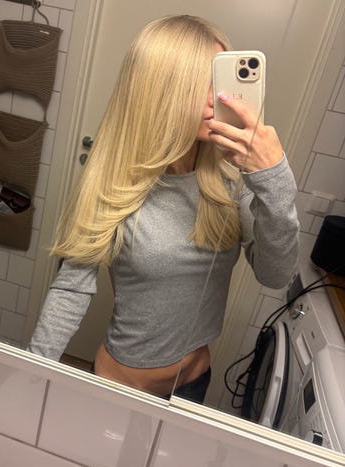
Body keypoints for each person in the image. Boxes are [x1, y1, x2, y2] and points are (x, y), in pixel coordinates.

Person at [27, 15, 299, 403]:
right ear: (160, 91)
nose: (218, 98)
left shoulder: (233, 179)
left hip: (194, 384)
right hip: (122, 387)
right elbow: (71, 289)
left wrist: (273, 179)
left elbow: (275, 274)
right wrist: (30, 375)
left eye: (219, 81)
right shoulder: (113, 182)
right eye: (201, 84)